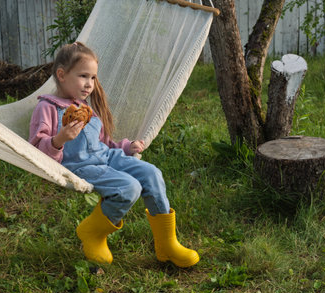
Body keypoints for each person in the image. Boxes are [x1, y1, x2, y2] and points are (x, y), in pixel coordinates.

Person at [29, 42, 199, 268]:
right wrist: (60, 139)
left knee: (152, 173)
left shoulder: (87, 107)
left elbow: (104, 143)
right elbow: (37, 149)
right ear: (61, 74)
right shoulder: (48, 108)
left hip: (108, 156)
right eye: (83, 76)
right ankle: (93, 232)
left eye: (93, 78)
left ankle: (167, 244)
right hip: (79, 165)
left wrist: (127, 148)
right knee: (128, 188)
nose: (89, 84)